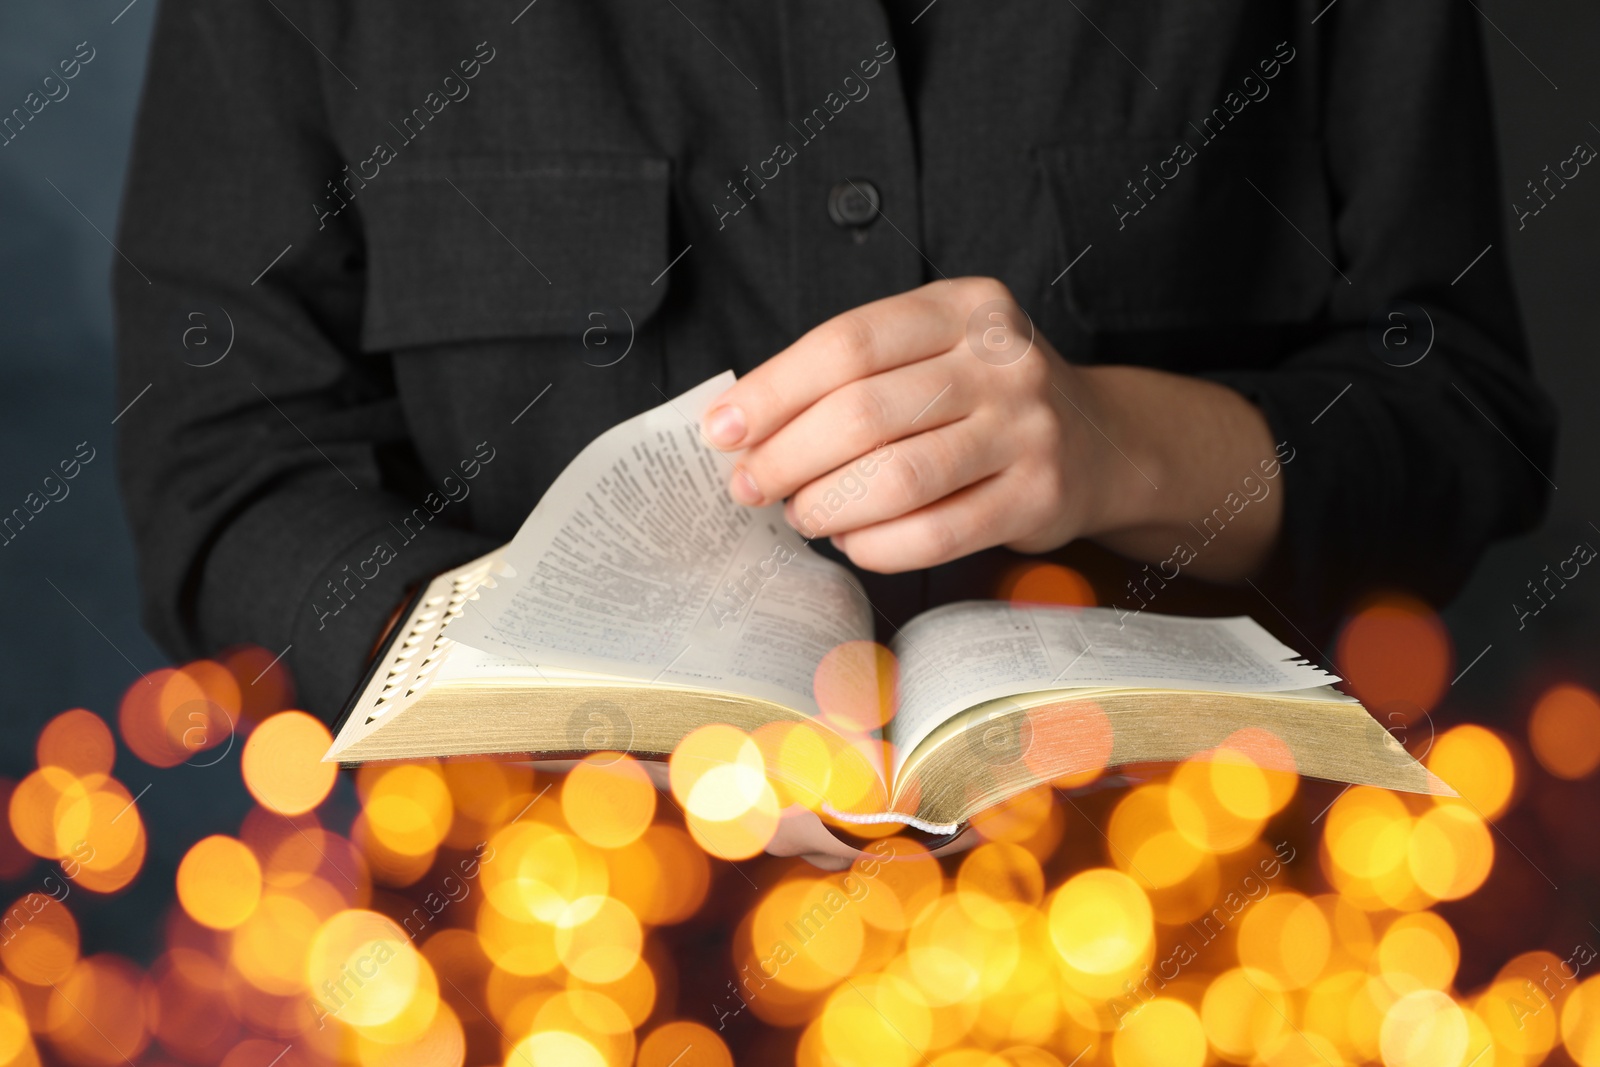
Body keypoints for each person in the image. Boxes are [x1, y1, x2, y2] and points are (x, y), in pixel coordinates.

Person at [115, 2, 1552, 811]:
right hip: (537, 962)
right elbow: (223, 455)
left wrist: (1121, 442)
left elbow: (1458, 409)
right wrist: (546, 701)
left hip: (1189, 951)